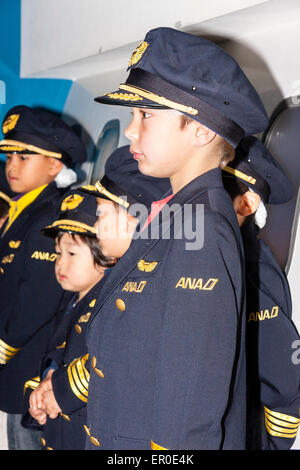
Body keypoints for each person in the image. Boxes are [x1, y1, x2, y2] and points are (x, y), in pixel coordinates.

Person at [81, 27, 269, 450]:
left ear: (201, 131)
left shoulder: (202, 232)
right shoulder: (180, 218)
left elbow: (190, 412)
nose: (130, 131)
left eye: (145, 115)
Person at [0, 105, 87, 450]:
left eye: (25, 157)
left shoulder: (50, 216)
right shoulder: (24, 210)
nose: (12, 164)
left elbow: (36, 301)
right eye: (9, 156)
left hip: (32, 368)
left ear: (54, 166)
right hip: (17, 365)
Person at [222, 136, 300, 450]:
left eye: (219, 187)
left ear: (248, 202)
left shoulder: (252, 269)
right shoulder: (217, 254)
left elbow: (284, 382)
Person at [22, 192, 116, 450]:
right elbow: (56, 357)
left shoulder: (110, 306)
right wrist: (40, 392)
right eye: (57, 253)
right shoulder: (70, 301)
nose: (60, 263)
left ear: (106, 256)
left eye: (72, 254)